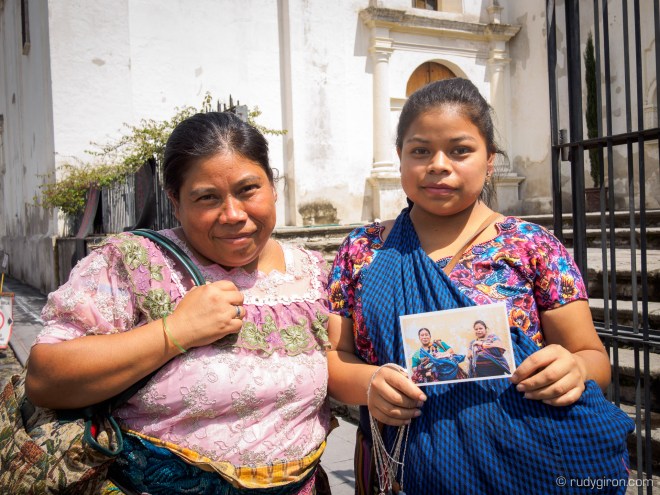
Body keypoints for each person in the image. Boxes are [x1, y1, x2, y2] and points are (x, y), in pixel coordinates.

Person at [326, 78, 620, 494]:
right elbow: (336, 357)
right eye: (420, 151)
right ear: (400, 157)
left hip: (523, 464)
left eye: (460, 150)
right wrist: (370, 384)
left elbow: (592, 357)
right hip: (401, 468)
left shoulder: (533, 247)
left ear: (490, 160)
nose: (438, 165)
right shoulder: (362, 250)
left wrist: (573, 369)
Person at [25, 111, 332, 494]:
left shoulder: (312, 272)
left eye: (248, 189)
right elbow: (45, 379)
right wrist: (175, 332)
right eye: (207, 197)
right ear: (176, 201)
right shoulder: (135, 263)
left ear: (272, 186)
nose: (233, 214)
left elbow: (338, 362)